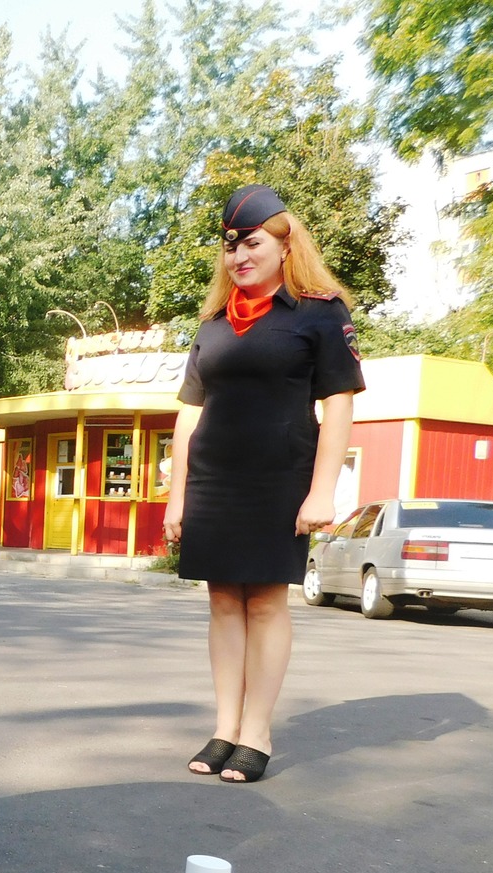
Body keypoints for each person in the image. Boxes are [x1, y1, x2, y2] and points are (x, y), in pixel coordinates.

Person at [163, 184, 363, 784]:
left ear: (283, 246)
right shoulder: (214, 325)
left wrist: (322, 490)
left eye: (251, 243)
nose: (239, 257)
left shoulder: (320, 313)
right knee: (223, 599)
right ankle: (225, 727)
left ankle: (257, 733)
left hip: (280, 479)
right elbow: (188, 415)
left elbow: (340, 407)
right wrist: (177, 496)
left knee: (267, 602)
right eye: (231, 248)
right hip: (215, 481)